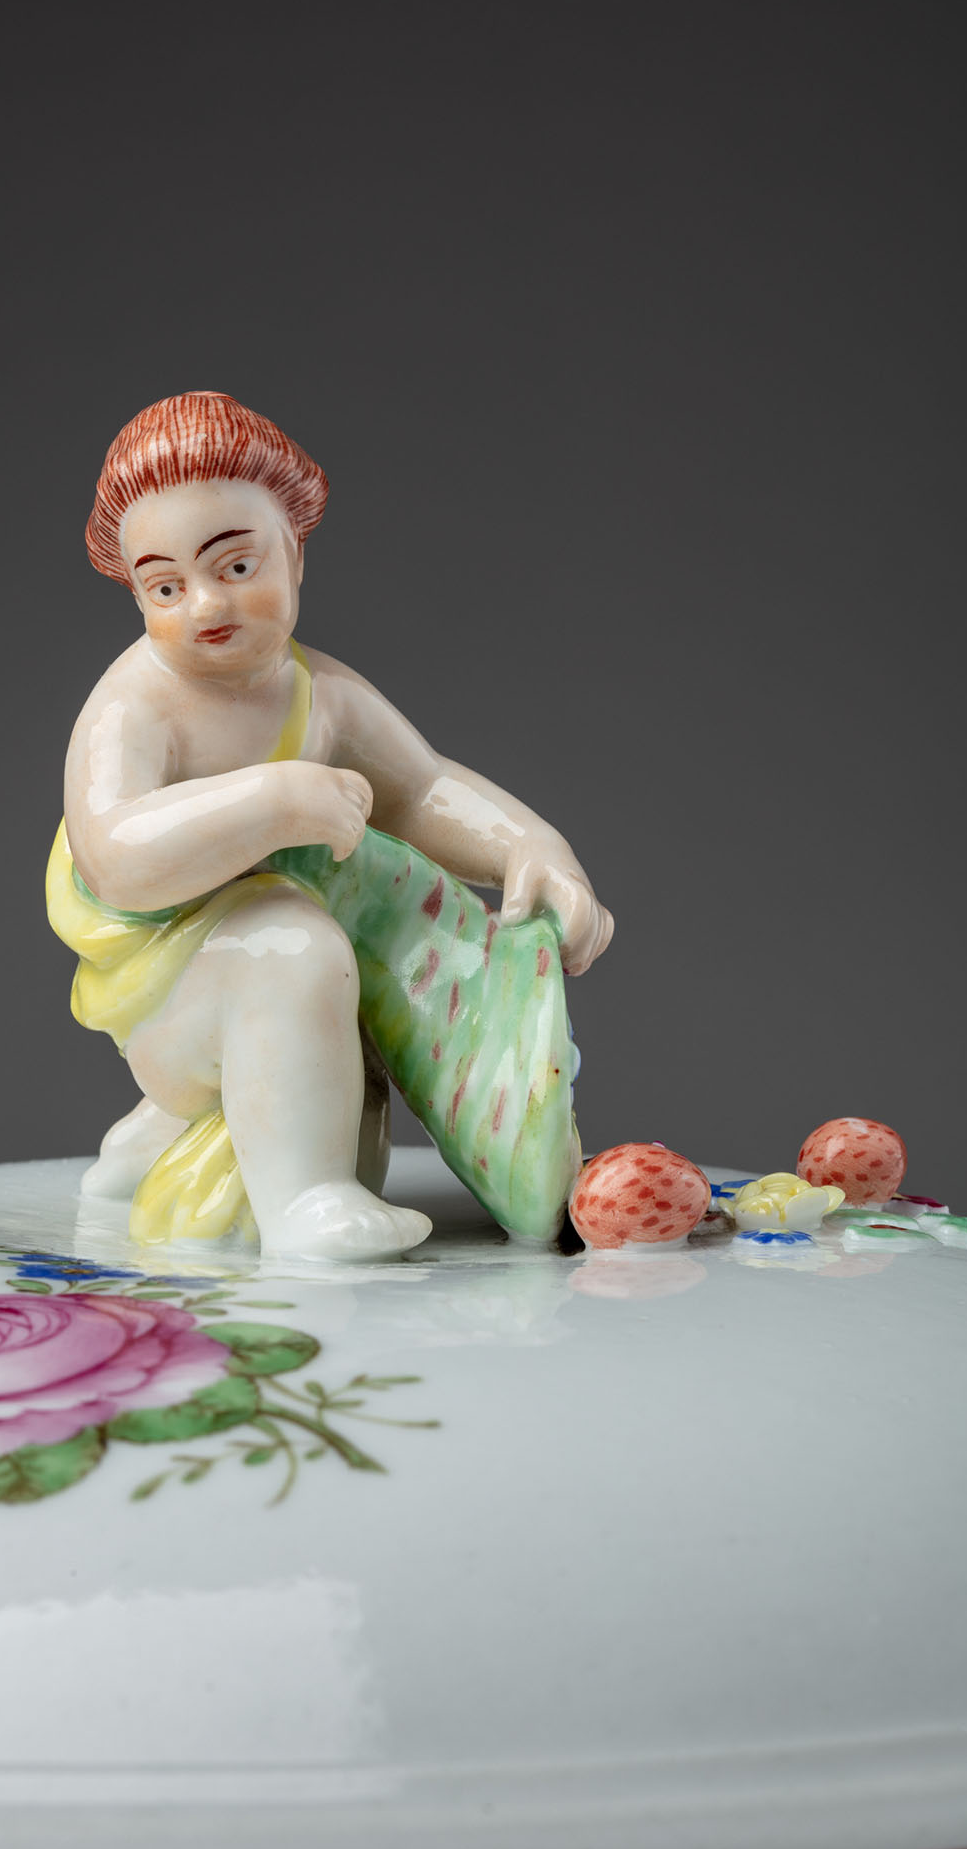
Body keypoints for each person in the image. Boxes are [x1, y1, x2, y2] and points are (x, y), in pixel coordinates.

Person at [48, 392, 612, 1258]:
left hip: (232, 985)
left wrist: (531, 847)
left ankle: (164, 1140)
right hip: (162, 989)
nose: (205, 604)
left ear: (295, 552)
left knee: (322, 974)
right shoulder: (134, 706)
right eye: (165, 586)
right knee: (292, 944)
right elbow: (115, 857)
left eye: (236, 565)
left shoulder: (322, 695)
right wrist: (271, 802)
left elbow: (421, 789)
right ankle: (304, 1201)